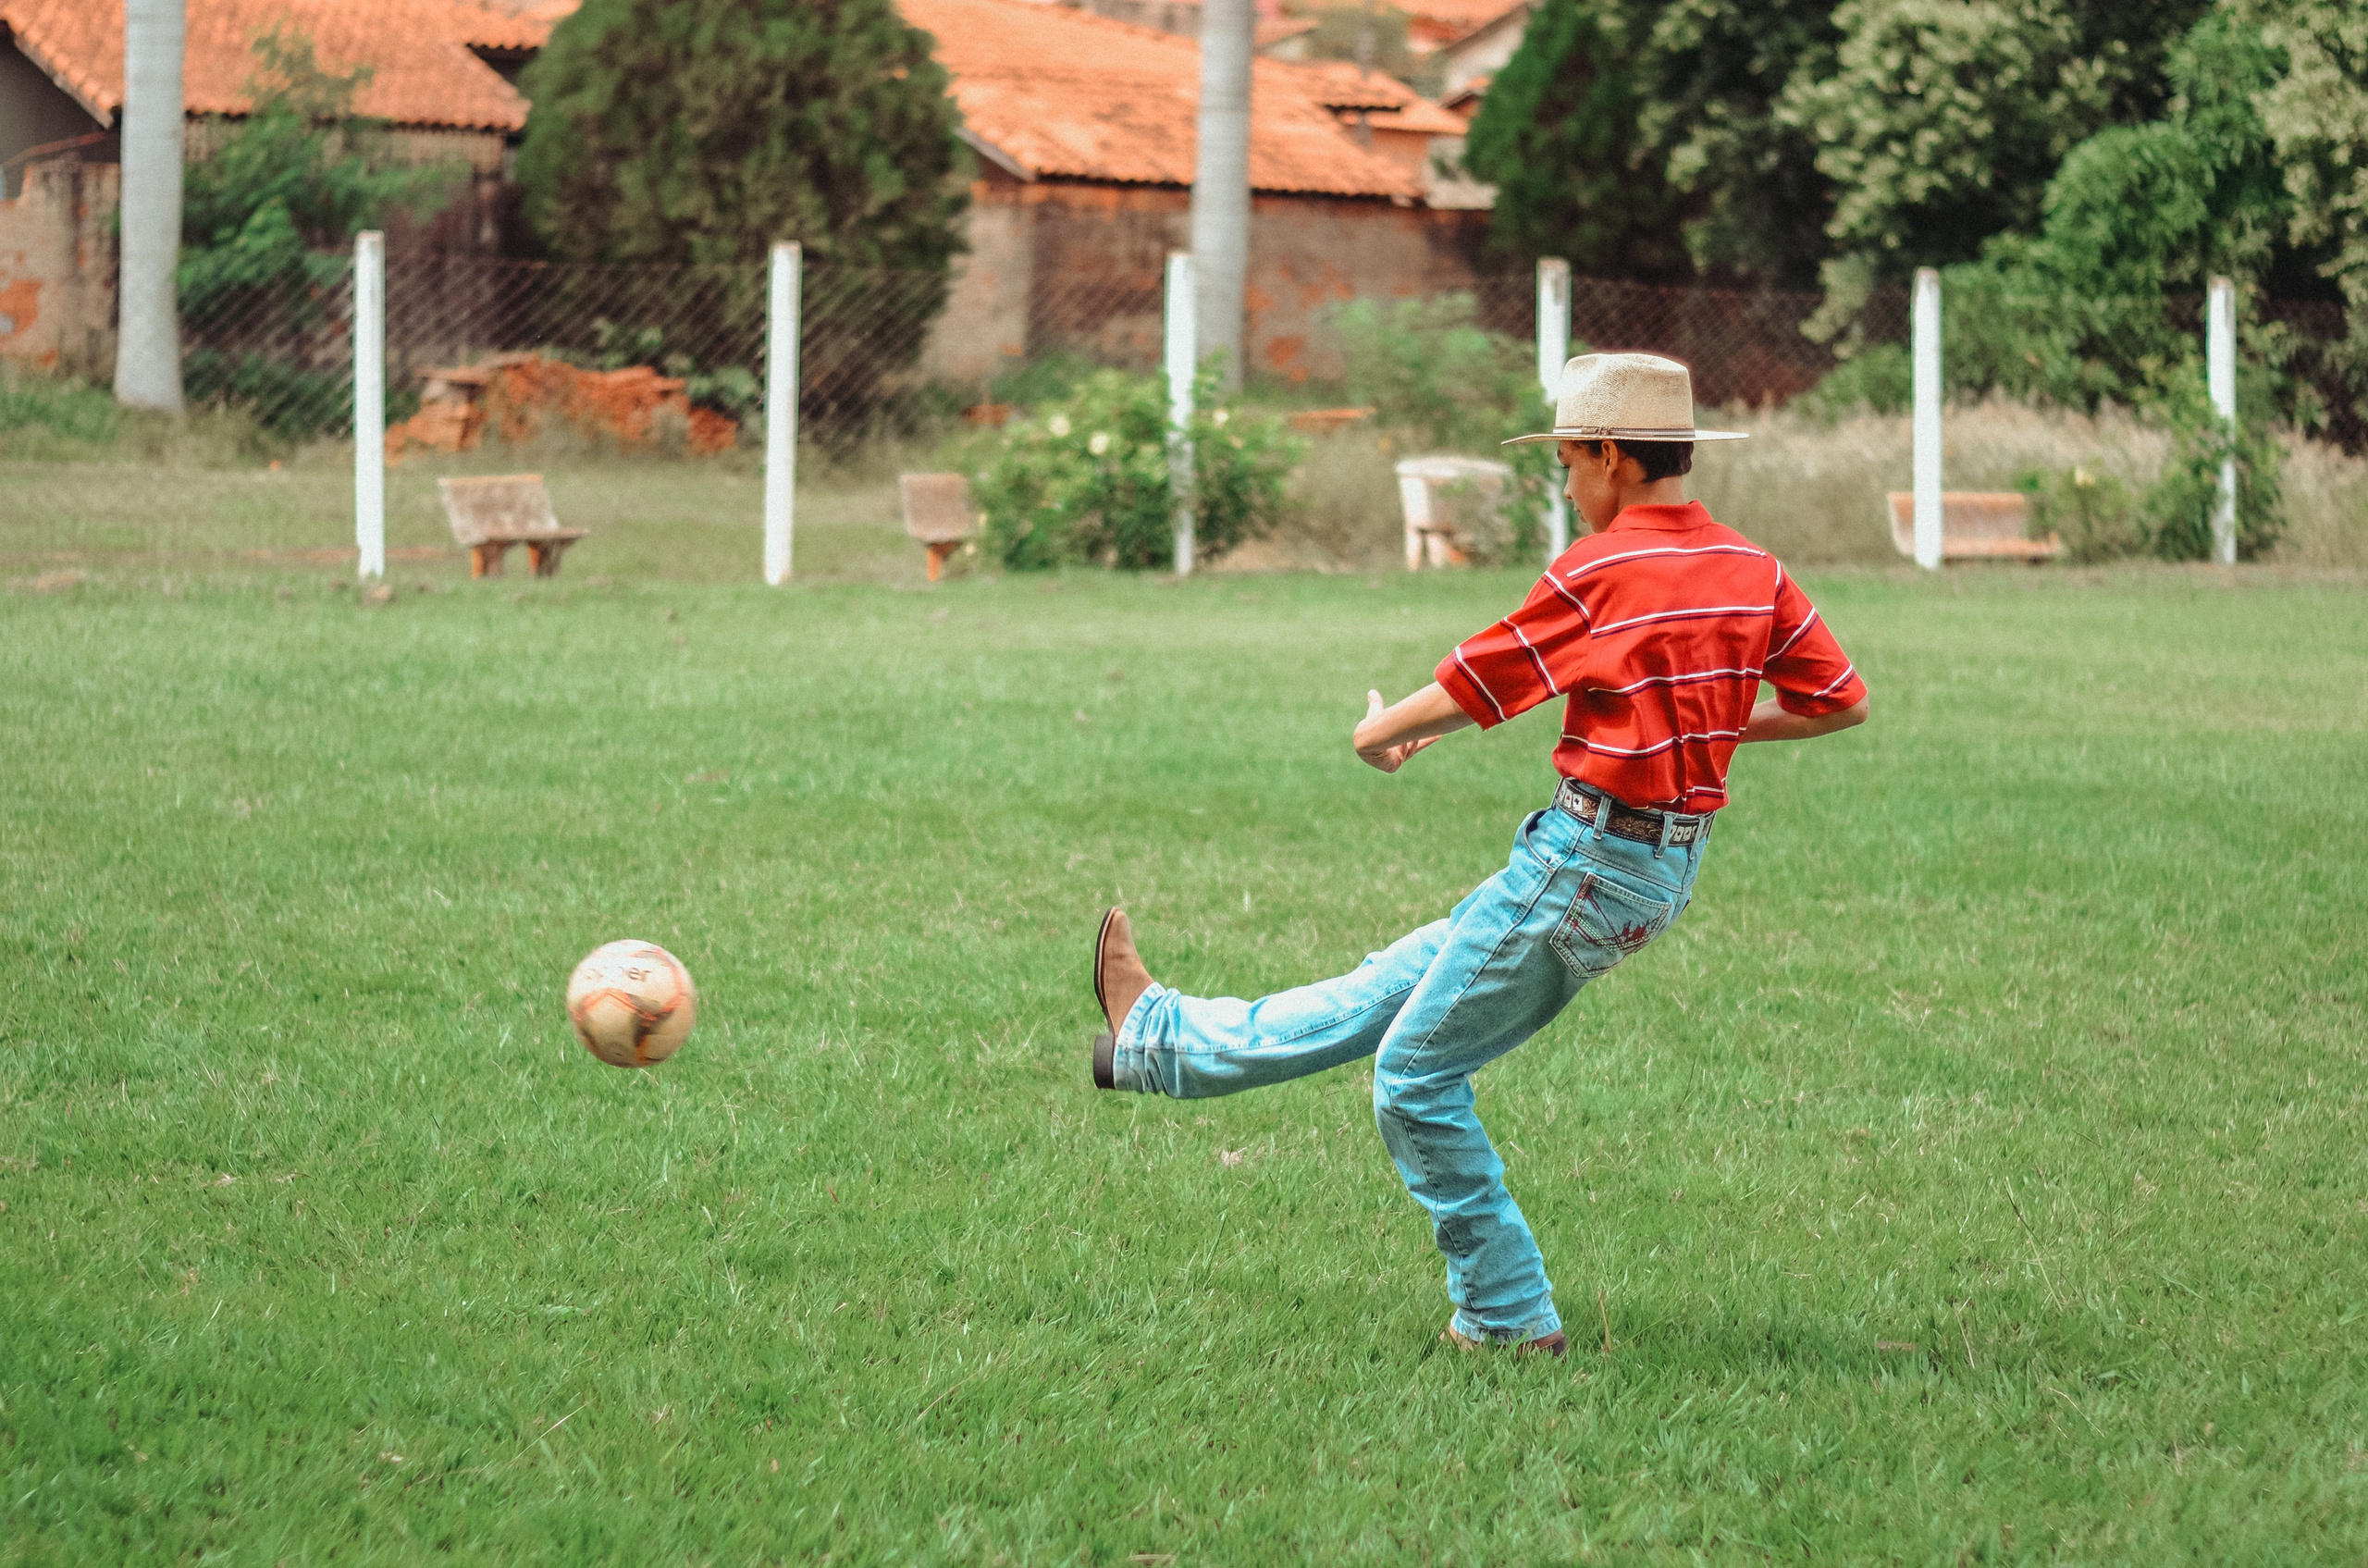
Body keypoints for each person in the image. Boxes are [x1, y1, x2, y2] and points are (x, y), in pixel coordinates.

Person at [1087, 352, 1869, 1357]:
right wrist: (1709, 732)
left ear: (1609, 456)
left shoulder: (1601, 568)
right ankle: (1160, 1044)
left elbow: (1489, 675)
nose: (1568, 484)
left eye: (1569, 465)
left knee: (1411, 1079)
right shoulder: (1751, 569)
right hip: (1646, 869)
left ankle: (1505, 1314)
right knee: (1387, 994)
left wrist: (1375, 737)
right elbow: (1837, 700)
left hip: (1585, 862)